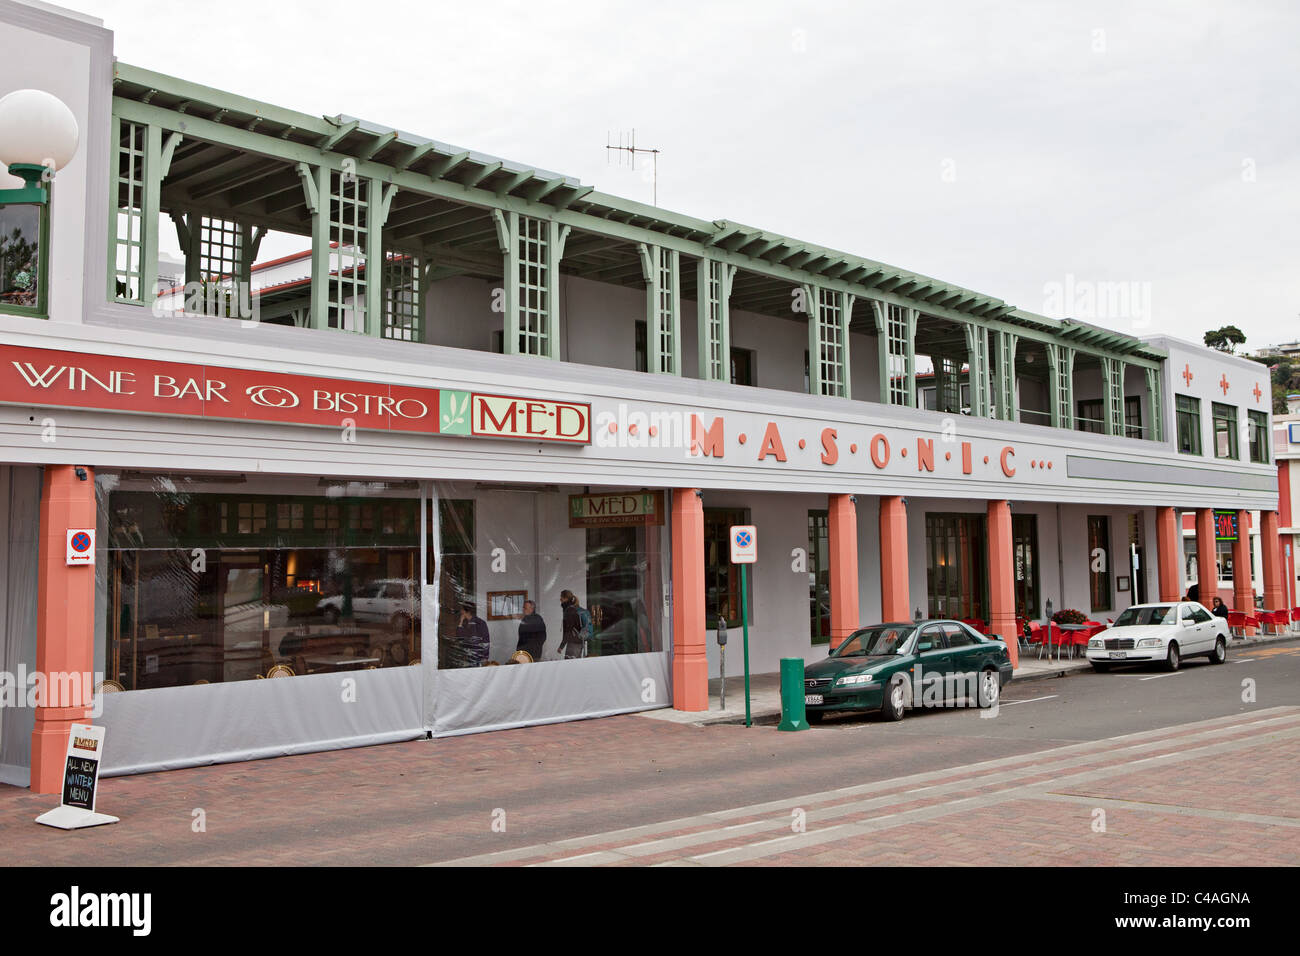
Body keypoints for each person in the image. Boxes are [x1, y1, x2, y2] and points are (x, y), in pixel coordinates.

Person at [455, 602, 490, 667]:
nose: (461, 611)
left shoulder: (480, 623)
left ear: (467, 612)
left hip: (478, 657)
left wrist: (484, 658)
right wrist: (461, 622)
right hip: (466, 657)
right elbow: (459, 638)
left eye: (462, 609)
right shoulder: (464, 623)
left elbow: (486, 641)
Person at [558, 590, 584, 659]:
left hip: (573, 643)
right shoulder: (574, 608)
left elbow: (568, 630)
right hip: (578, 641)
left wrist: (561, 646)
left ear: (566, 598)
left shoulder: (569, 611)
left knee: (569, 666)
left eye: (561, 597)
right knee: (575, 665)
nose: (560, 599)